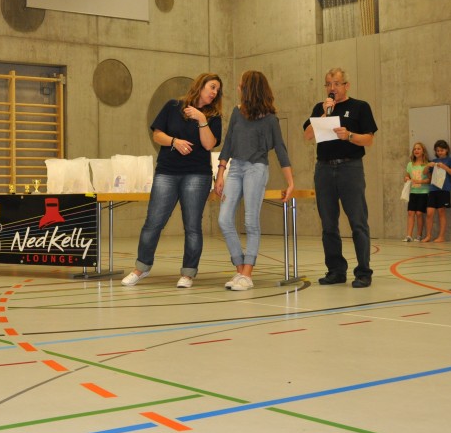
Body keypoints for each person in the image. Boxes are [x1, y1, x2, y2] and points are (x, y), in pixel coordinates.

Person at [122, 73, 223, 289]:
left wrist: (202, 119)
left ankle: (188, 273)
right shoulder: (173, 106)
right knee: (153, 222)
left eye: (217, 90)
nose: (215, 92)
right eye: (212, 87)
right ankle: (141, 268)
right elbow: (157, 135)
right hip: (167, 172)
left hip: (197, 174)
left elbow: (209, 145)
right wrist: (174, 142)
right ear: (201, 85)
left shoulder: (213, 116)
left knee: (192, 226)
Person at [214, 70, 293, 291]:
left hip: (256, 169)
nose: (238, 88)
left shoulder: (270, 119)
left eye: (241, 85)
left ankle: (247, 274)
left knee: (251, 222)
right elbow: (228, 143)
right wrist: (220, 173)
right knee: (224, 219)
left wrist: (290, 182)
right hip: (235, 168)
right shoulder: (236, 112)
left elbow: (281, 150)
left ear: (250, 89)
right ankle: (240, 269)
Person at [302, 67, 378, 288]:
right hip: (324, 169)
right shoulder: (320, 107)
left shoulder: (360, 107)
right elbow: (307, 135)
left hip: (350, 168)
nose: (332, 88)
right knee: (328, 223)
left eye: (336, 83)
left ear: (346, 85)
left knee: (358, 221)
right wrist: (324, 115)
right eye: (328, 84)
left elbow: (369, 140)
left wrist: (350, 135)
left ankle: (363, 272)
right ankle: (336, 270)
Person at [422, 140, 451, 243]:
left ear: (446, 150)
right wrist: (428, 165)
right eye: (438, 151)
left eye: (442, 150)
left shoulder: (450, 160)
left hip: (444, 189)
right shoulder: (434, 160)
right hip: (433, 189)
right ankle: (428, 235)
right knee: (429, 213)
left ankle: (441, 236)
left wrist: (445, 167)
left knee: (441, 212)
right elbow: (424, 172)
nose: (440, 152)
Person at [403, 142, 431, 242]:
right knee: (410, 212)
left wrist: (420, 181)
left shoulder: (427, 164)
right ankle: (409, 235)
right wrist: (406, 178)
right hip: (413, 192)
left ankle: (419, 235)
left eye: (418, 149)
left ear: (423, 151)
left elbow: (429, 179)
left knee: (419, 213)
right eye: (415, 149)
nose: (416, 150)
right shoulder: (410, 164)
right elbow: (407, 176)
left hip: (423, 192)